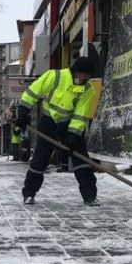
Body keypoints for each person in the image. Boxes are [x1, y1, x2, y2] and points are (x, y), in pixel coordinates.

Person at [16, 56, 99, 206]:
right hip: (49, 122)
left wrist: (73, 134)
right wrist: (23, 110)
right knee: (40, 159)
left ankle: (90, 196)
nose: (86, 77)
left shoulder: (88, 89)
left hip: (69, 125)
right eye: (84, 74)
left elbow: (81, 114)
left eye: (89, 75)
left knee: (81, 159)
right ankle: (29, 193)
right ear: (76, 71)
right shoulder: (55, 76)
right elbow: (33, 91)